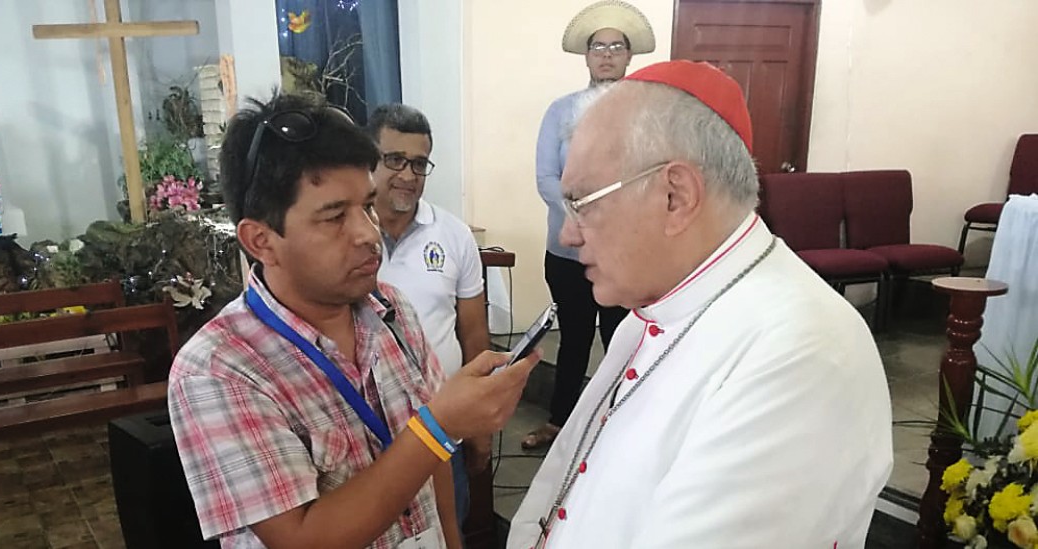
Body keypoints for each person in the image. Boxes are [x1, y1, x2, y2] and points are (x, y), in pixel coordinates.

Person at [508, 60, 893, 548]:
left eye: (582, 203)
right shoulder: (653, 306)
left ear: (676, 196)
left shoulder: (801, 353)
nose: (567, 234)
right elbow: (560, 480)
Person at [167, 92, 540, 549]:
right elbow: (301, 539)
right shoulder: (218, 368)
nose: (367, 233)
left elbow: (434, 466)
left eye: (365, 206)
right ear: (261, 240)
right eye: (334, 217)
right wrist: (438, 426)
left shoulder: (391, 310)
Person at [524, 0, 656, 450]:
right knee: (574, 338)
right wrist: (582, 219)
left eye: (615, 46)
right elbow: (546, 177)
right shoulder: (561, 111)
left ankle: (620, 426)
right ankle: (560, 425)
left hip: (624, 253)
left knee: (623, 338)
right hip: (567, 249)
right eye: (597, 46)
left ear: (629, 55)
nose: (606, 54)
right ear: (586, 55)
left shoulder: (648, 112)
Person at [365, 104, 490, 529]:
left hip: (443, 425)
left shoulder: (452, 234)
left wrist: (479, 426)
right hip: (371, 434)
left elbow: (475, 337)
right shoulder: (348, 237)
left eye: (418, 164)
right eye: (394, 160)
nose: (407, 175)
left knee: (447, 527)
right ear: (370, 160)